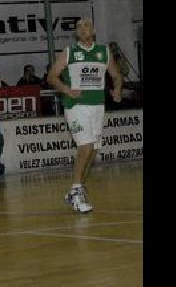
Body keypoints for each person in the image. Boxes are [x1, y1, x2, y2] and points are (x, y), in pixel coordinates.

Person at [46, 18, 124, 214]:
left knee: (93, 151)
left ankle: (76, 189)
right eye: (78, 27)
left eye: (86, 25)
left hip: (97, 106)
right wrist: (66, 89)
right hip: (76, 106)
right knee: (86, 147)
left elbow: (116, 75)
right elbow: (51, 76)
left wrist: (117, 90)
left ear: (94, 30)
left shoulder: (103, 51)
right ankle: (76, 190)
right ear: (76, 33)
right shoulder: (70, 52)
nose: (82, 29)